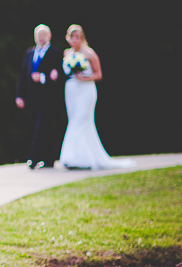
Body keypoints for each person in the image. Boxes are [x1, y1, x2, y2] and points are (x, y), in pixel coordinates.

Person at [58, 25, 135, 171]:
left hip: (86, 90)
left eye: (77, 37)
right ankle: (79, 157)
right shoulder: (66, 53)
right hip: (71, 90)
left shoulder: (89, 53)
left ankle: (75, 158)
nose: (74, 40)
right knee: (74, 121)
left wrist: (85, 77)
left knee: (81, 120)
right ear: (67, 38)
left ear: (82, 38)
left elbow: (98, 74)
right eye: (72, 37)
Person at [15, 24, 64, 169]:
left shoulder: (55, 53)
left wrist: (43, 77)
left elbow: (60, 76)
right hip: (32, 98)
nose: (41, 38)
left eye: (43, 35)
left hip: (48, 98)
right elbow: (23, 75)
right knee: (40, 128)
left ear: (49, 36)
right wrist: (19, 95)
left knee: (41, 127)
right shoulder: (29, 53)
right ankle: (48, 159)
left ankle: (34, 158)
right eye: (38, 35)